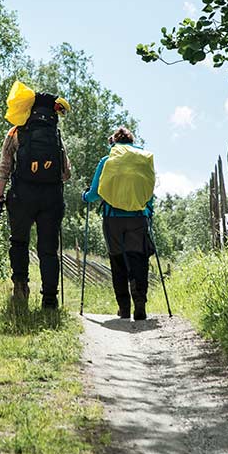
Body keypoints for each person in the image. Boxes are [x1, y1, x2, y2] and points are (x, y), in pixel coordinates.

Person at [0, 90, 71, 309]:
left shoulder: (16, 132)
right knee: (48, 249)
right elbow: (66, 173)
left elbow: (4, 167)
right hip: (51, 198)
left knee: (19, 242)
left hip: (22, 196)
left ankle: (20, 289)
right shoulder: (55, 136)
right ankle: (50, 299)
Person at [83, 126, 155, 320]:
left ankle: (124, 308)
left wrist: (85, 196)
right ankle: (140, 303)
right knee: (139, 260)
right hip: (138, 217)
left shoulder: (107, 161)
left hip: (112, 219)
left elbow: (94, 193)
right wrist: (149, 210)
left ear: (113, 143)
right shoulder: (142, 160)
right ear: (131, 143)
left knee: (118, 262)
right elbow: (149, 192)